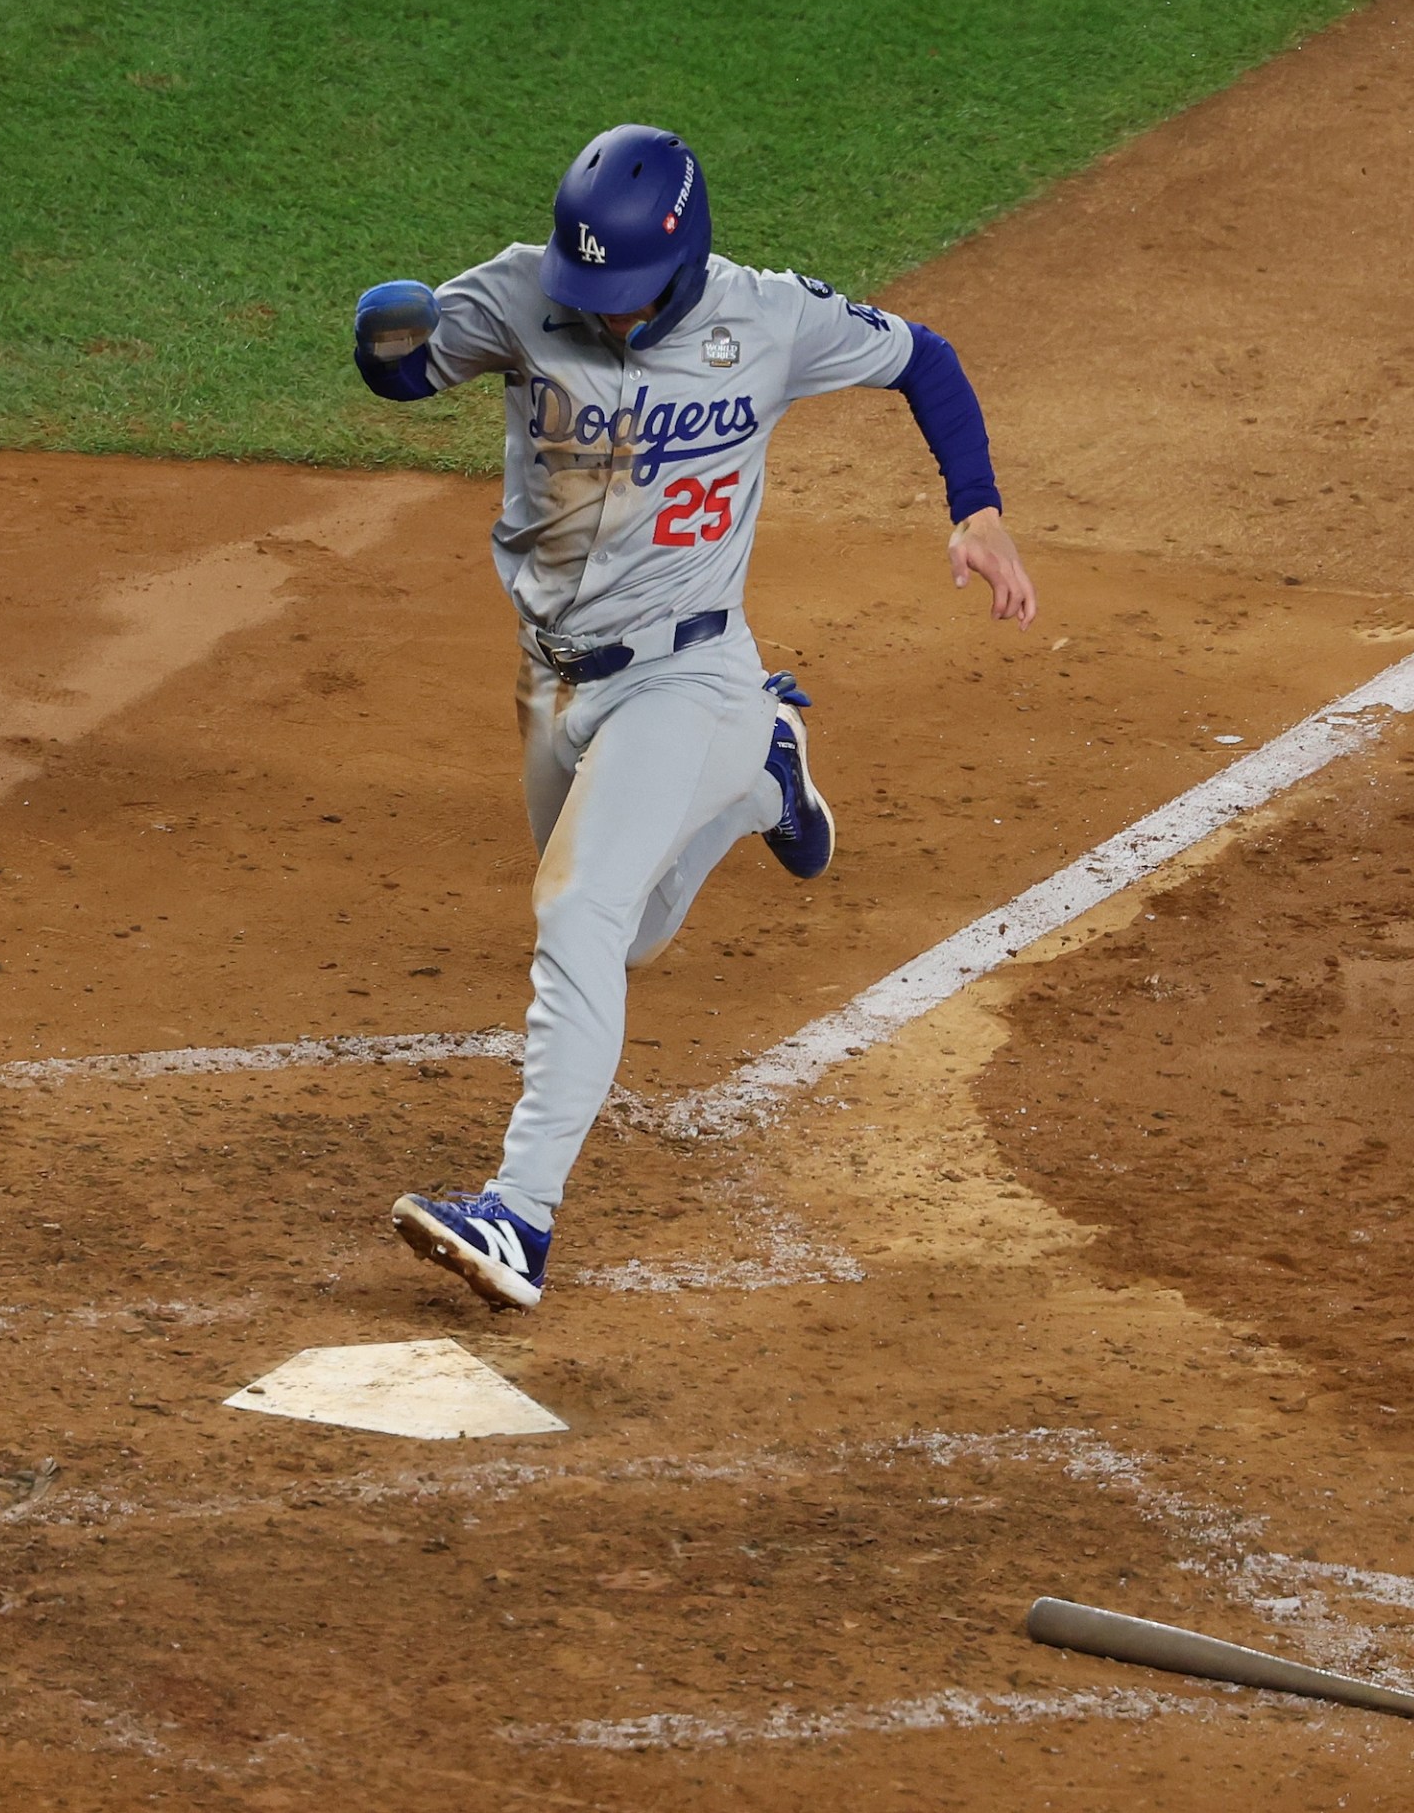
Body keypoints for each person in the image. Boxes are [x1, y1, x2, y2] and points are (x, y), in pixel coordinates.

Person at [352, 124, 1036, 1309]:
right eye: (588, 294)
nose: (602, 315)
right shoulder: (524, 292)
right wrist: (385, 346)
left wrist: (974, 506)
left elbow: (925, 358)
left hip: (686, 671)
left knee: (576, 908)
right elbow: (413, 369)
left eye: (623, 296)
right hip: (550, 678)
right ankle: (769, 771)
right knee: (624, 940)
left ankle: (519, 1216)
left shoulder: (765, 319)